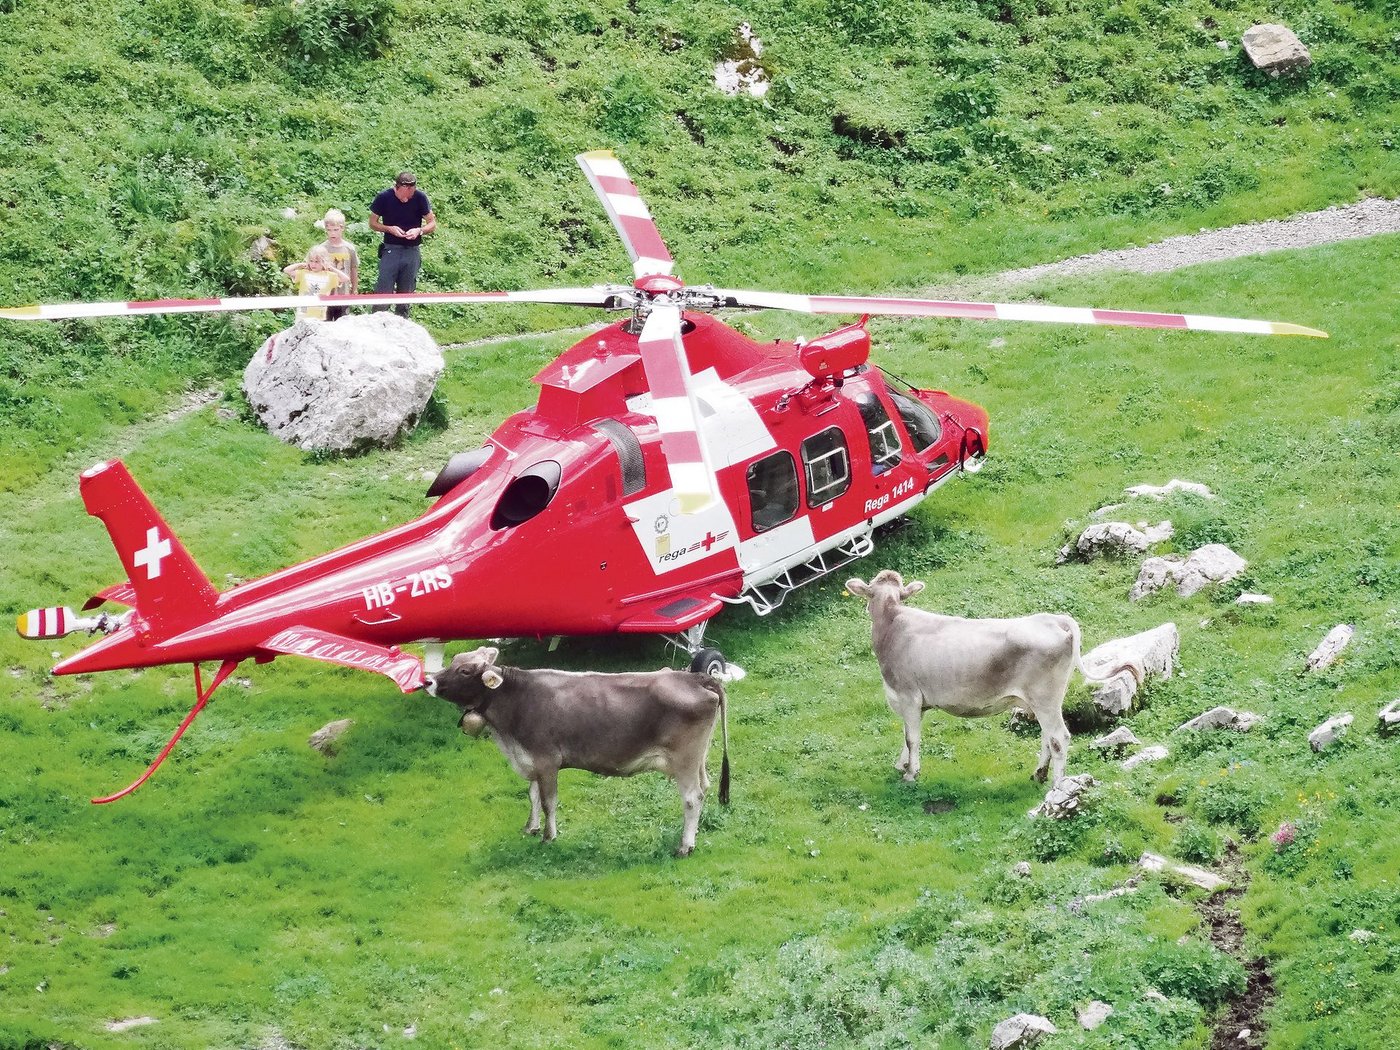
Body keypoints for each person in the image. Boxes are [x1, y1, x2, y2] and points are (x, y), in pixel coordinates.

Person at [369, 171, 436, 317]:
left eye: (411, 193)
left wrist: (420, 231)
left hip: (411, 250)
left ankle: (403, 323)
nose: (408, 197)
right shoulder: (384, 198)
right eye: (405, 193)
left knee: (406, 293)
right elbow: (372, 223)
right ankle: (378, 321)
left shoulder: (420, 198)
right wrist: (389, 228)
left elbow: (432, 223)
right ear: (397, 187)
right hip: (391, 249)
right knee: (383, 288)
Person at [283, 245, 348, 321]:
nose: (313, 264)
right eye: (311, 261)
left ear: (324, 262)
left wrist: (332, 268)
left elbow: (345, 278)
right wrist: (300, 264)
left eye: (317, 262)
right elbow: (287, 270)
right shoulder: (304, 273)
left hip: (319, 315)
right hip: (303, 313)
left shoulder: (330, 276)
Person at [315, 209, 359, 321]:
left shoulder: (349, 248)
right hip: (326, 293)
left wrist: (354, 289)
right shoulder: (322, 248)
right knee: (325, 322)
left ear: (342, 228)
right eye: (329, 230)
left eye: (336, 230)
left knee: (343, 322)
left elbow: (353, 269)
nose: (332, 233)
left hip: (344, 293)